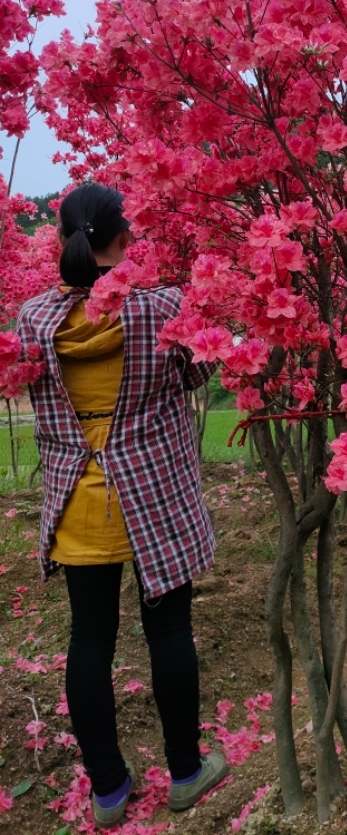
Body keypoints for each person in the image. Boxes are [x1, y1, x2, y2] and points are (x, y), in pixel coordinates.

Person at [17, 183, 228, 829]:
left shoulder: (32, 320)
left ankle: (109, 791)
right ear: (123, 241)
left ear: (64, 241)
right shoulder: (160, 309)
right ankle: (187, 773)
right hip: (154, 497)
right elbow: (198, 372)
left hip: (79, 496)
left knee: (89, 641)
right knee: (169, 633)